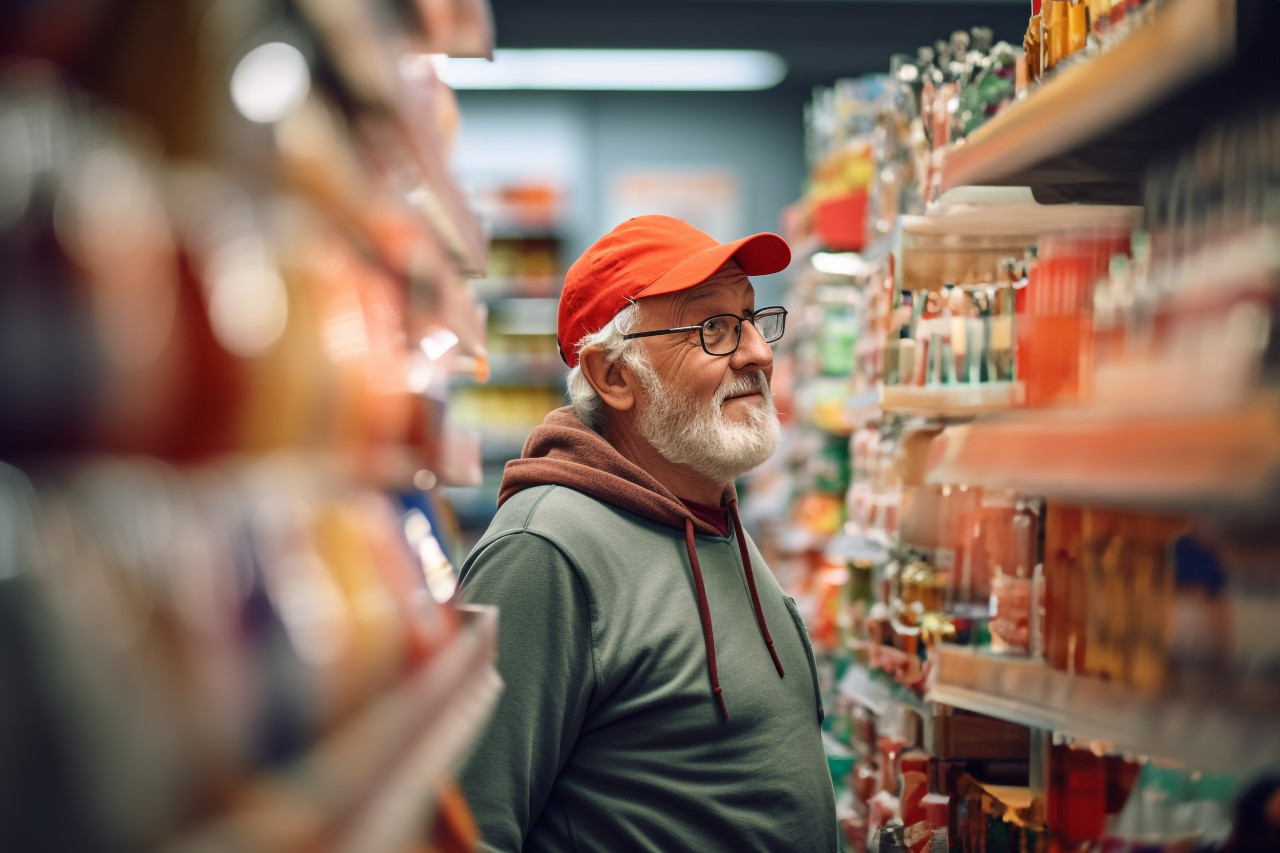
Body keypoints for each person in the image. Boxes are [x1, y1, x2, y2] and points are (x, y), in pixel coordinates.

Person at [456, 214, 838, 852]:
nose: (760, 354)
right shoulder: (544, 552)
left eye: (752, 318)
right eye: (713, 328)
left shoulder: (712, 511)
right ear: (613, 376)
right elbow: (464, 827)